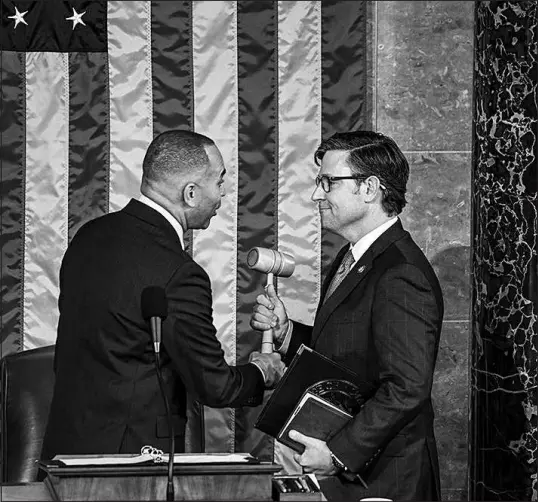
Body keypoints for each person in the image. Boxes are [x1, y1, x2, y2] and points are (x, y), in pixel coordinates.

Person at [41, 130, 285, 460]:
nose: (223, 194)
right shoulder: (180, 273)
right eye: (220, 181)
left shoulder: (88, 236)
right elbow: (214, 385)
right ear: (191, 193)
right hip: (129, 467)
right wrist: (262, 372)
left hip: (64, 451)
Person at [251, 131, 444, 501]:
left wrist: (339, 453)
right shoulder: (350, 257)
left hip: (386, 481)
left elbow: (406, 388)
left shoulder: (400, 273)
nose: (316, 195)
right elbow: (345, 355)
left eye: (328, 182)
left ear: (369, 188)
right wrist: (287, 331)